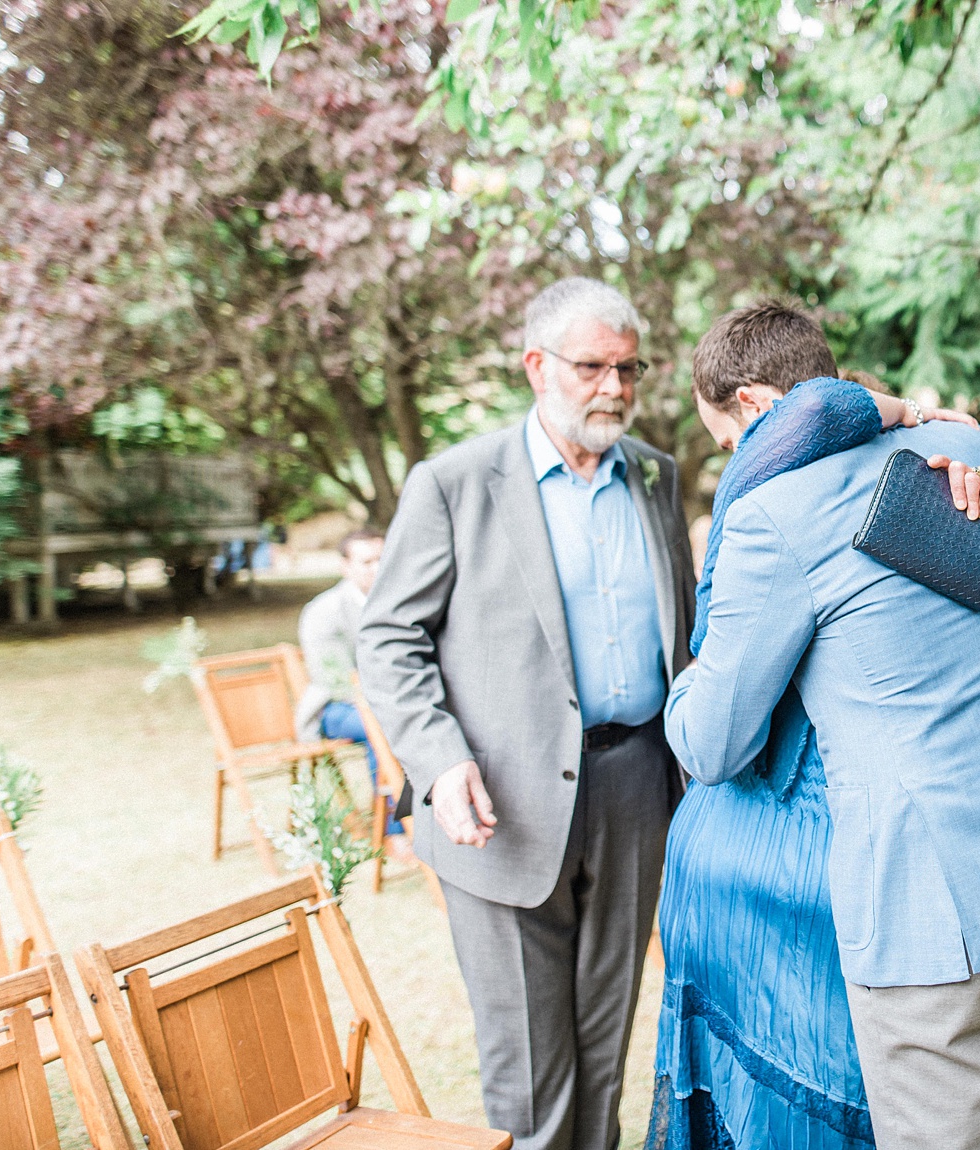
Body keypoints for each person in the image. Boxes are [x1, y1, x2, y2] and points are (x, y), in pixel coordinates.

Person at [650, 303, 980, 1150]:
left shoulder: (768, 516)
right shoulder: (966, 450)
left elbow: (711, 745)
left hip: (938, 906)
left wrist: (685, 682)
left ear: (752, 407)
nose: (734, 468)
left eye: (727, 445)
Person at [358, 277, 696, 1150]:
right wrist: (439, 761)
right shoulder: (454, 484)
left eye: (630, 369)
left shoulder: (657, 476)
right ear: (536, 366)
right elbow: (389, 639)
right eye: (593, 368)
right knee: (529, 1061)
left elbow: (685, 633)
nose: (615, 389)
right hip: (499, 803)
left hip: (636, 791)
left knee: (604, 1036)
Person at [296, 528, 407, 847]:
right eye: (367, 561)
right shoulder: (324, 611)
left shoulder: (401, 600)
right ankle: (395, 830)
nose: (377, 568)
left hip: (393, 701)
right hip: (335, 707)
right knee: (383, 728)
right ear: (346, 566)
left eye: (382, 559)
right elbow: (334, 680)